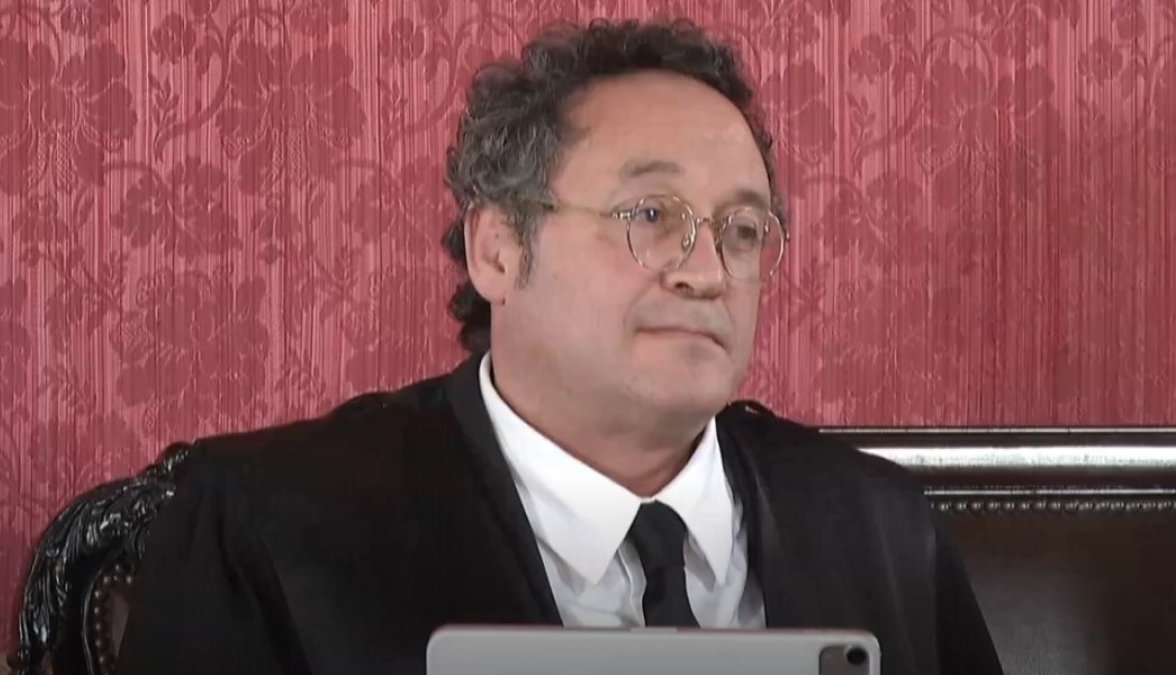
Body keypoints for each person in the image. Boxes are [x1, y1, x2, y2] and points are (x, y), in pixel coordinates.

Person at [117, 18, 1003, 675]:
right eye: (650, 215)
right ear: (499, 249)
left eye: (741, 229)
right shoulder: (271, 526)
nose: (706, 272)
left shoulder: (882, 528)